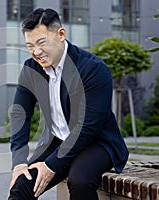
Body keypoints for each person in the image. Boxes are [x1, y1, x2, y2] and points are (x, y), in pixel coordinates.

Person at [8, 8, 129, 200]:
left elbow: (88, 127)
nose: (36, 52)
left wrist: (50, 165)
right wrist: (19, 163)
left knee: (79, 180)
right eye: (30, 46)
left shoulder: (93, 69)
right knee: (22, 182)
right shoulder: (31, 69)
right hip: (58, 140)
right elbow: (19, 113)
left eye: (41, 43)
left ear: (61, 34)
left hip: (97, 142)